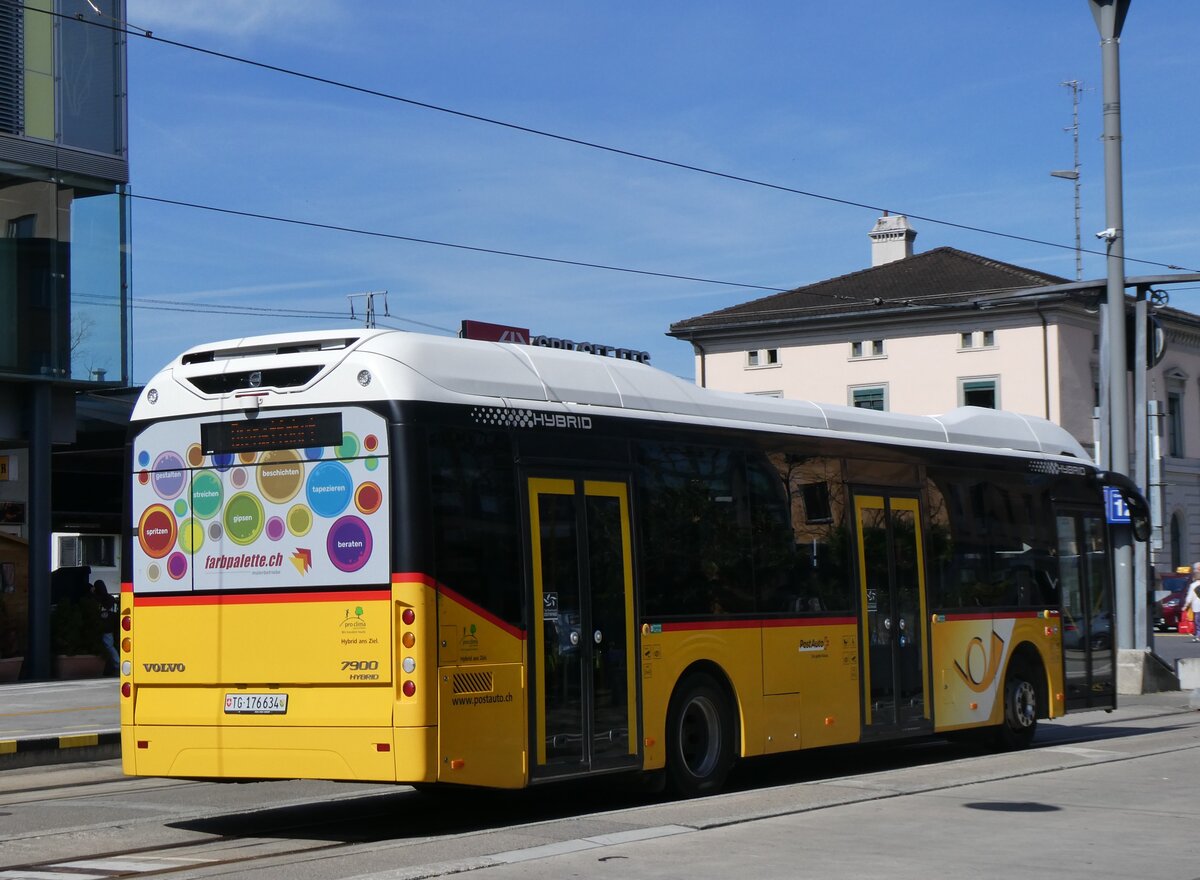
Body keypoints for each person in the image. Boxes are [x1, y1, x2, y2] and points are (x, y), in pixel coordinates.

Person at [92, 580, 119, 674]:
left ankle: (117, 664)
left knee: (108, 646)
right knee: (110, 646)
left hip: (105, 628)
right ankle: (115, 664)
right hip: (113, 626)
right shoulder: (112, 599)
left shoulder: (98, 599)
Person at [1185, 564, 1200, 643]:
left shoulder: (1193, 585)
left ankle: (1198, 636)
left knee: (1197, 623)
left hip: (1197, 607)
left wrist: (1185, 606)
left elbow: (1189, 597)